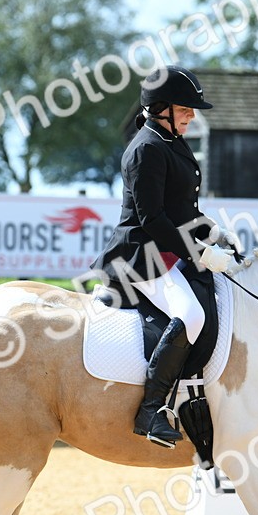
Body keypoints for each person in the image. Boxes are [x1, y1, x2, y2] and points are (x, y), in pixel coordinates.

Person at [91, 66, 239, 447]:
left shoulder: (171, 139)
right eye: (185, 108)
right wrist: (202, 252)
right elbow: (153, 219)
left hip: (166, 249)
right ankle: (150, 409)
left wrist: (215, 232)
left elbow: (182, 211)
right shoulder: (145, 149)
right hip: (141, 254)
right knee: (191, 314)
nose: (192, 115)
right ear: (161, 108)